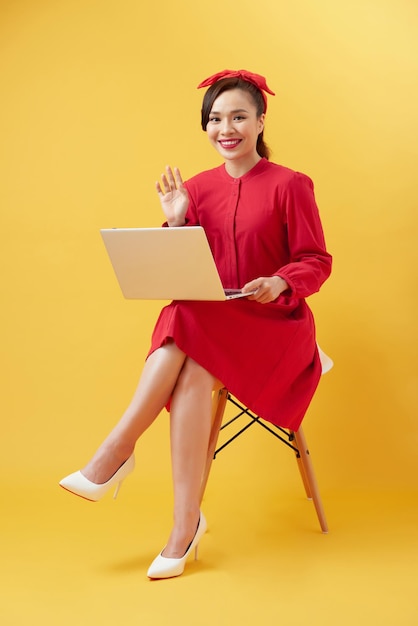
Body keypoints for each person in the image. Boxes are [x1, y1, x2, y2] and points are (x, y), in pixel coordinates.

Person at [59, 68, 332, 579]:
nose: (224, 128)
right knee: (195, 359)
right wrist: (178, 218)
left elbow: (316, 259)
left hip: (275, 327)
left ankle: (117, 450)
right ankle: (184, 528)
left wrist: (279, 282)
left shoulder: (291, 184)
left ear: (260, 121)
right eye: (214, 118)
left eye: (237, 117)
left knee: (184, 314)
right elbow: (181, 267)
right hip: (213, 327)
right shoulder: (197, 188)